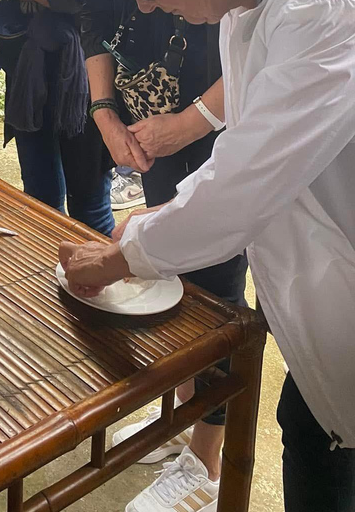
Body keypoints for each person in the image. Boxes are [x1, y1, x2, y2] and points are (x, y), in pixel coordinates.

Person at [61, 0, 355, 510]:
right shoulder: (243, 14)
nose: (148, 5)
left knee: (323, 450)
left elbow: (243, 184)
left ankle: (205, 456)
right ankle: (187, 418)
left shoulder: (321, 16)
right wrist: (155, 220)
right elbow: (243, 151)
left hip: (338, 290)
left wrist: (121, 255)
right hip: (315, 282)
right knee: (310, 418)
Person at [77, 2, 250, 510]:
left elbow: (256, 63)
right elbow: (93, 21)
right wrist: (105, 113)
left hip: (219, 124)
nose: (145, 5)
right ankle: (184, 406)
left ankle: (207, 459)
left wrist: (195, 122)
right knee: (171, 276)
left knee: (216, 288)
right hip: (153, 124)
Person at [0, 0, 115, 236]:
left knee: (91, 209)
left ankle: (103, 269)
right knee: (41, 205)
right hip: (27, 66)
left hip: (91, 71)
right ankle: (48, 270)